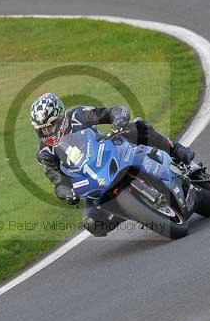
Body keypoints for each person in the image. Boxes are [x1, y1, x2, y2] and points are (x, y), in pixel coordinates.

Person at [30, 93, 195, 236]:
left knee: (136, 127)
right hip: (90, 180)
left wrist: (119, 120)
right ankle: (131, 210)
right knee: (92, 224)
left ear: (60, 116)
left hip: (108, 150)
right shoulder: (44, 153)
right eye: (42, 130)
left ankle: (177, 150)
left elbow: (112, 111)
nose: (48, 132)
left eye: (51, 125)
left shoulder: (77, 115)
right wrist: (66, 192)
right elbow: (57, 180)